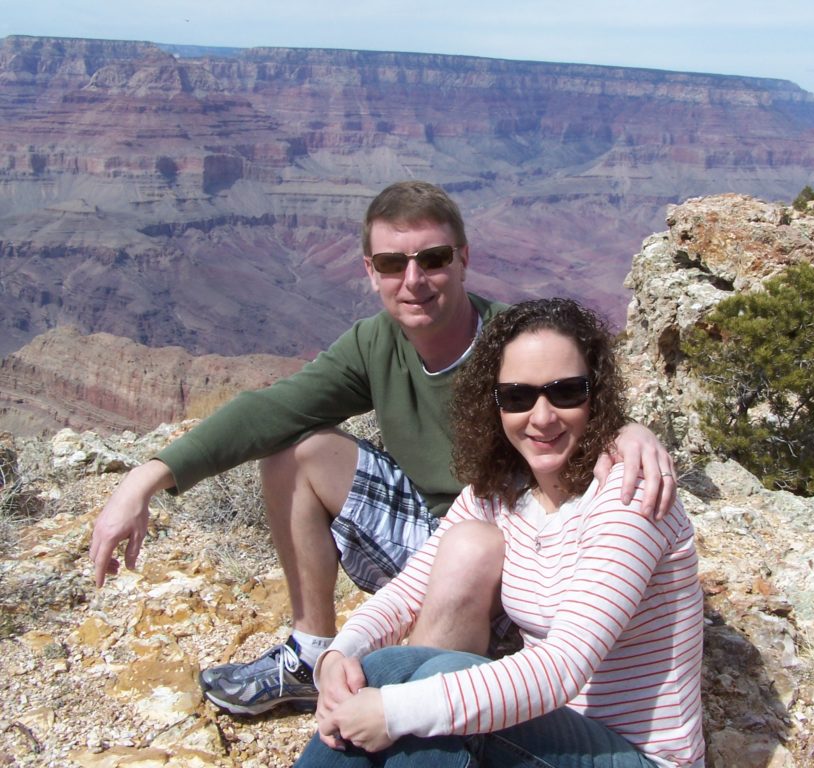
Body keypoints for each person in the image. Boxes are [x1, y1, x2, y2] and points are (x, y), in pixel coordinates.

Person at [89, 181, 680, 716]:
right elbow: (270, 410)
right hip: (433, 534)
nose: (414, 280)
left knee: (468, 548)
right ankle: (309, 654)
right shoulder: (376, 343)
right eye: (394, 263)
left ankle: (419, 714)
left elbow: (571, 405)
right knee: (295, 451)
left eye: (434, 259)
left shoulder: (509, 343)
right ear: (371, 271)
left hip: (508, 551)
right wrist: (145, 478)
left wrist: (629, 432)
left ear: (464, 259)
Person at [297, 298, 705, 768]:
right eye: (518, 396)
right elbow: (409, 592)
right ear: (493, 404)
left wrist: (393, 712)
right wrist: (337, 656)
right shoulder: (500, 493)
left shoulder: (630, 496)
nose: (543, 416)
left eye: (567, 391)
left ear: (597, 394)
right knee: (381, 669)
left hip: (638, 758)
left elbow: (563, 667)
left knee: (435, 705)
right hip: (548, 732)